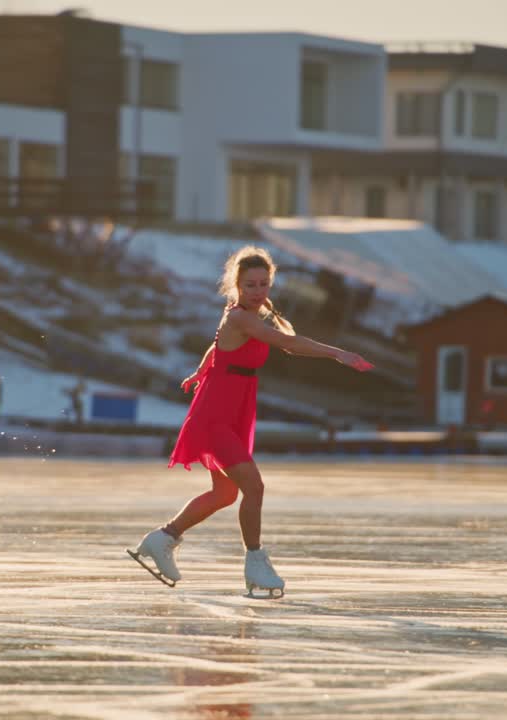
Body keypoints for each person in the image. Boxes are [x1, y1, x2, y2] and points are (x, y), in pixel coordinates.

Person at [127, 246, 373, 598]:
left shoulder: (244, 315)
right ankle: (255, 563)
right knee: (253, 488)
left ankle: (161, 539)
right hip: (216, 415)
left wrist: (200, 370)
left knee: (224, 493)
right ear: (236, 285)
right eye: (251, 285)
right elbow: (287, 343)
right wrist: (338, 353)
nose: (258, 291)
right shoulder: (241, 317)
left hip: (232, 408)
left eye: (264, 284)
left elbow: (217, 347)